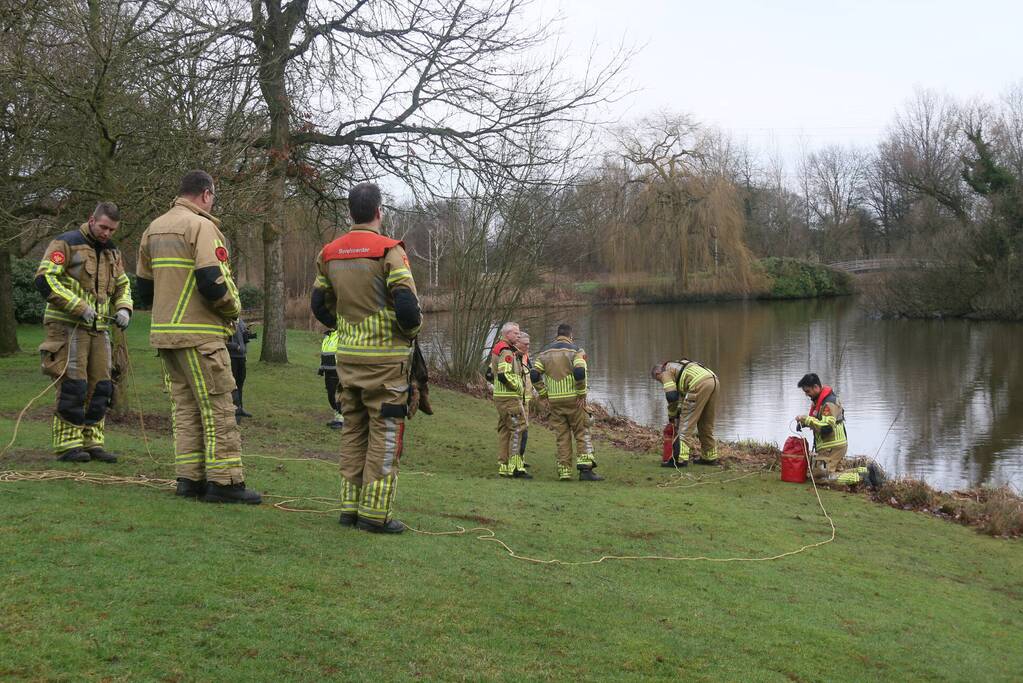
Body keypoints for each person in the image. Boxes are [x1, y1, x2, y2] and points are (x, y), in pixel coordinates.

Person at [136, 170, 261, 504]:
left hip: (165, 337)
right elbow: (212, 280)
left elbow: (143, 289)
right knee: (219, 407)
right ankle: (225, 483)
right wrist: (232, 309)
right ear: (206, 194)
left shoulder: (153, 229)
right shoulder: (202, 227)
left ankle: (189, 479)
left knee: (185, 410)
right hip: (200, 335)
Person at [310, 181, 421, 534]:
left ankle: (348, 509)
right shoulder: (389, 251)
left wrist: (344, 326)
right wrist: (411, 332)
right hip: (386, 364)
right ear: (379, 211)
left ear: (350, 212)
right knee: (385, 436)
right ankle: (374, 515)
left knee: (353, 432)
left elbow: (318, 305)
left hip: (348, 361)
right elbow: (406, 305)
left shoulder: (329, 253)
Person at [34, 202, 133, 463]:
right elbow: (45, 278)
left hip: (99, 328)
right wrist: (78, 306)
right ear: (91, 219)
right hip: (67, 326)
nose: (107, 233)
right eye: (103, 227)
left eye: (112, 229)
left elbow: (123, 284)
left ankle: (92, 442)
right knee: (73, 384)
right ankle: (68, 444)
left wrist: (124, 309)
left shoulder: (113, 252)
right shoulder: (66, 243)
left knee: (101, 386)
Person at [532, 324, 601, 481]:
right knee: (582, 432)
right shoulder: (576, 351)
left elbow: (534, 375)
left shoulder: (544, 353)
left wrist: (544, 395)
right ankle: (585, 471)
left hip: (555, 401)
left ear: (557, 335)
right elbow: (579, 371)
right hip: (574, 400)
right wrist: (581, 393)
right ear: (571, 335)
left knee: (562, 436)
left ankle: (564, 472)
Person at [796, 373, 882, 488]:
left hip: (832, 446)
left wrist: (807, 420)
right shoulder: (820, 402)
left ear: (816, 387)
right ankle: (865, 471)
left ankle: (860, 478)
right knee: (824, 472)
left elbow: (827, 428)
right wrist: (804, 423)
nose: (807, 395)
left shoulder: (828, 404)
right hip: (832, 446)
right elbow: (819, 421)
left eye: (808, 391)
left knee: (819, 477)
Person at [651, 358, 720, 467]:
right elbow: (681, 396)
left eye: (658, 380)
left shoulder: (665, 372)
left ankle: (679, 460)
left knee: (685, 425)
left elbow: (671, 396)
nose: (661, 382)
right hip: (713, 380)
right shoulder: (677, 366)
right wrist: (679, 409)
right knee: (706, 424)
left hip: (698, 384)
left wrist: (672, 416)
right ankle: (709, 457)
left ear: (657, 373)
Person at [490, 322, 530, 479]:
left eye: (519, 333)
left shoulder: (501, 348)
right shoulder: (506, 351)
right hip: (508, 397)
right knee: (518, 428)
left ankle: (504, 465)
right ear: (507, 334)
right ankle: (514, 467)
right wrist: (518, 387)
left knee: (505, 430)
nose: (518, 335)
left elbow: (490, 374)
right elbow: (503, 375)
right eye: (515, 333)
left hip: (500, 396)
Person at [227, 317, 256, 421]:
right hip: (232, 357)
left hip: (242, 357)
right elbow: (222, 341)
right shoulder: (227, 321)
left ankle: (240, 408)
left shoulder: (241, 321)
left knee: (240, 383)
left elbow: (244, 338)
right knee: (232, 385)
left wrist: (247, 333)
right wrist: (235, 346)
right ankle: (233, 410)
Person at [318, 328, 344, 429]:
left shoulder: (342, 334)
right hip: (327, 370)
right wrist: (321, 368)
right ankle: (338, 417)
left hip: (338, 370)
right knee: (330, 395)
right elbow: (324, 353)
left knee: (338, 395)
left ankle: (341, 420)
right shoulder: (327, 336)